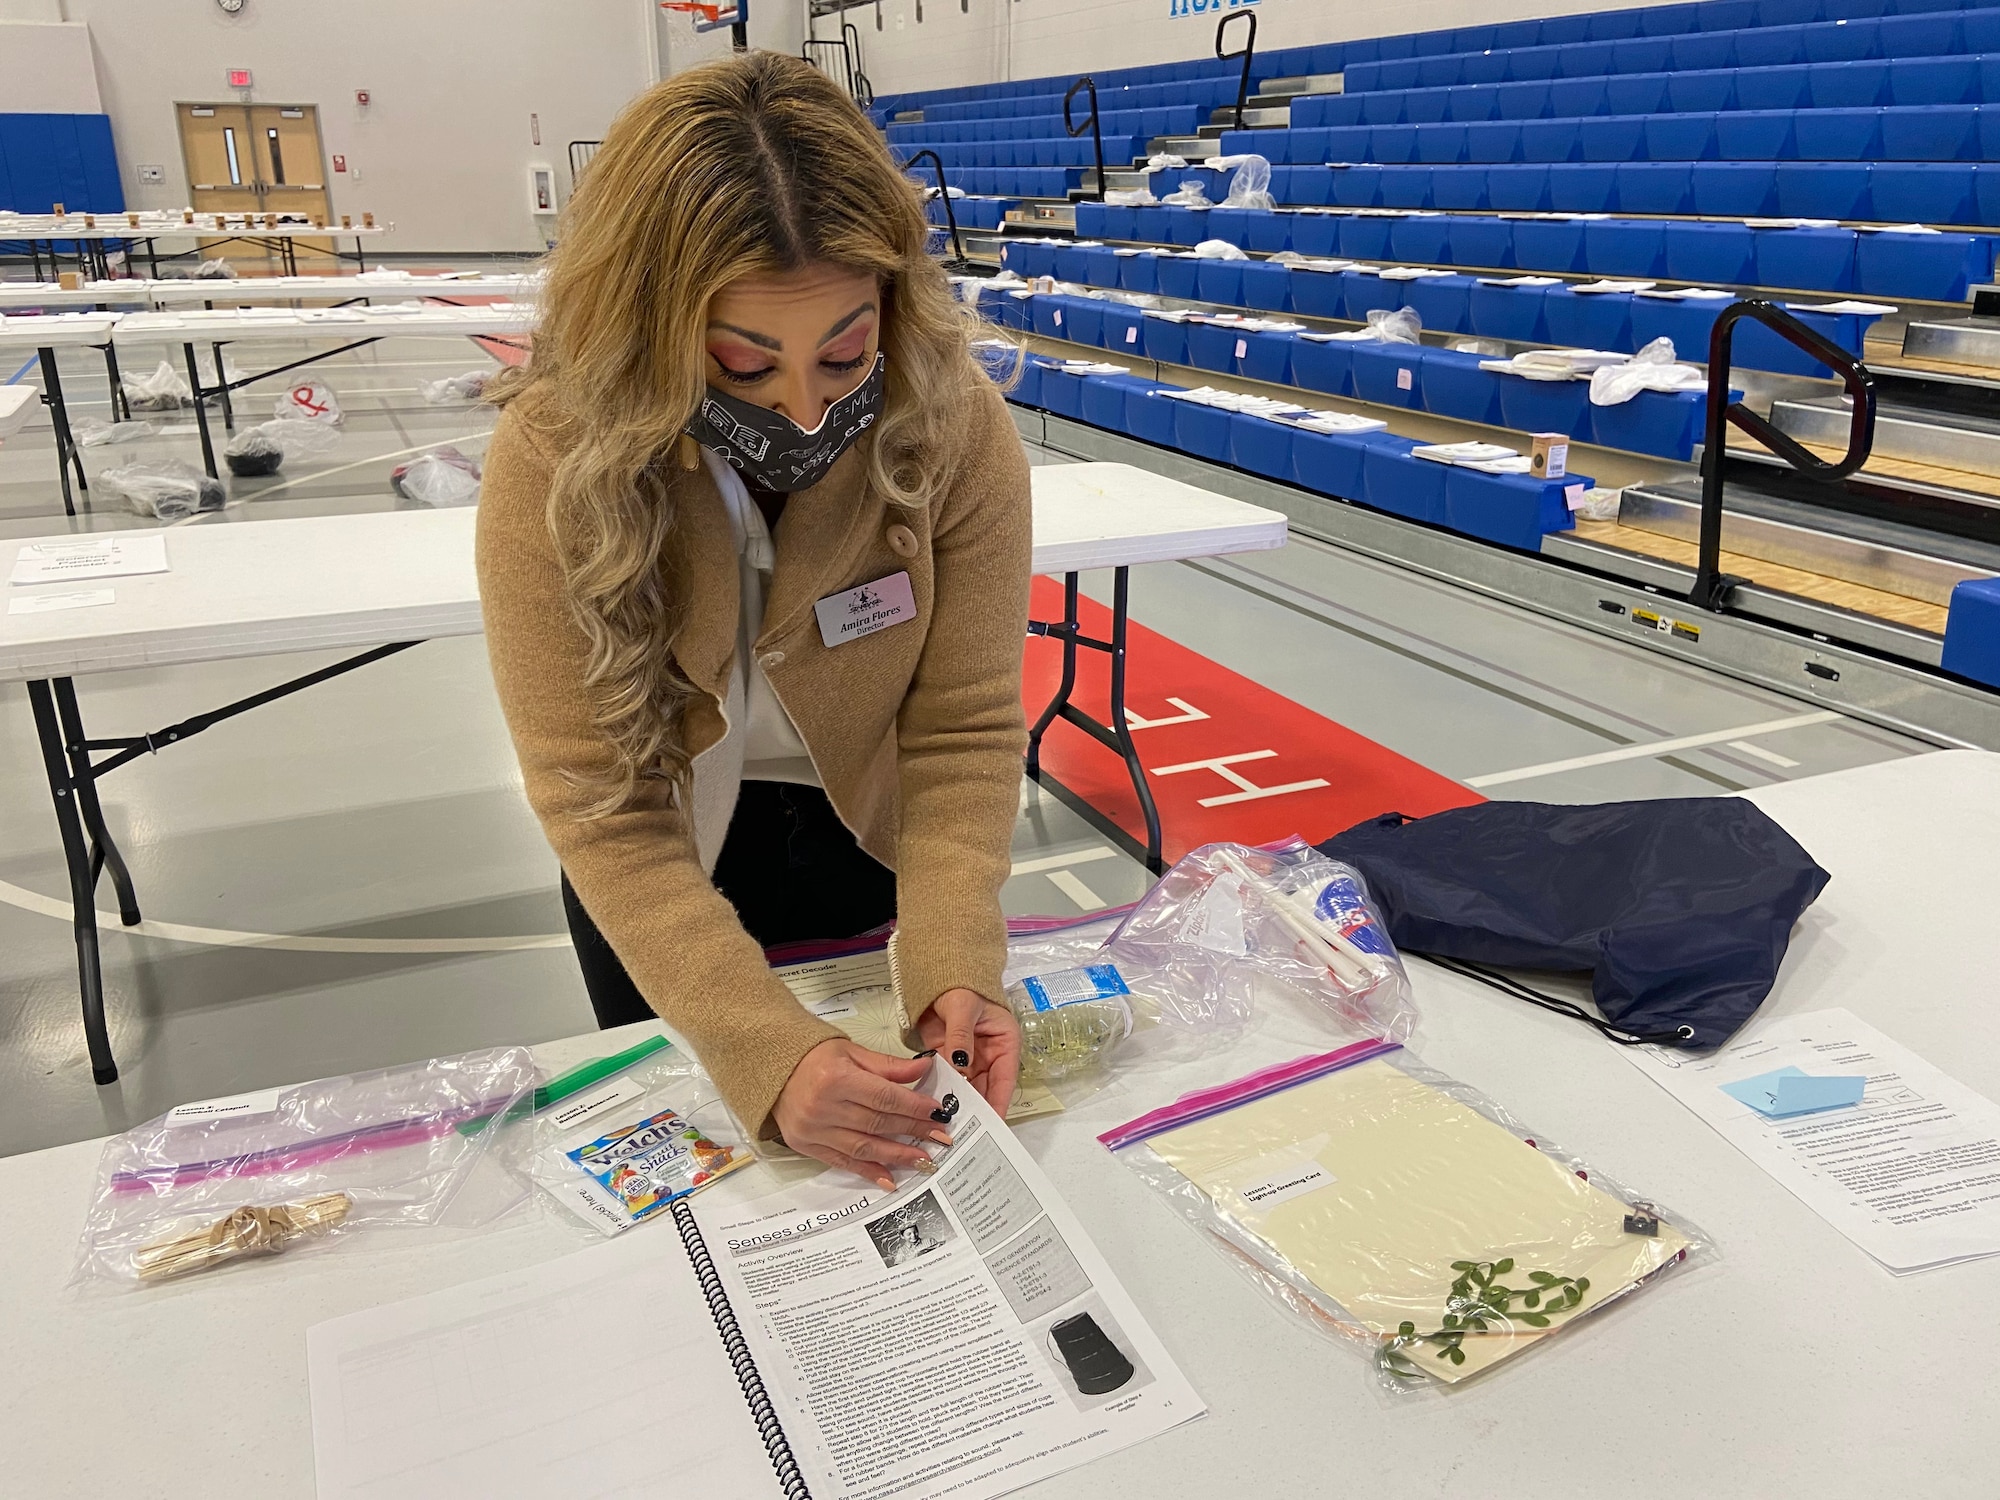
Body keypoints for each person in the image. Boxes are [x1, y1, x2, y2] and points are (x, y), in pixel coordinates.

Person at [477, 51, 1028, 1192]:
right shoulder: (554, 453)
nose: (804, 403)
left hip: (869, 840)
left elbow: (961, 728)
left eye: (844, 349)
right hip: (662, 880)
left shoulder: (952, 421)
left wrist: (955, 948)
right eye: (742, 359)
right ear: (650, 326)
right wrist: (761, 1049)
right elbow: (601, 801)